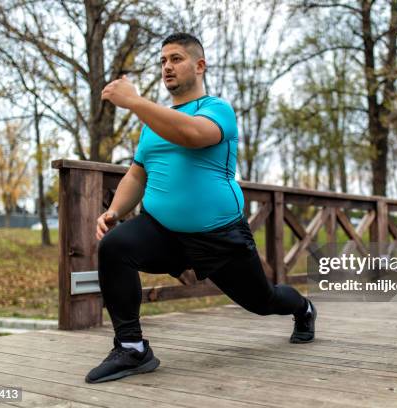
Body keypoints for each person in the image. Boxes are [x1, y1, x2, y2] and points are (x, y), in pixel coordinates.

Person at [85, 33, 317, 384]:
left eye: (176, 59)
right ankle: (131, 347)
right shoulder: (152, 123)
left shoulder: (216, 110)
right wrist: (114, 212)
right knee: (115, 247)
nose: (167, 67)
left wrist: (134, 102)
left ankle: (303, 308)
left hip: (218, 234)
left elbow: (192, 135)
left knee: (261, 300)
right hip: (163, 230)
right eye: (162, 61)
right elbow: (137, 173)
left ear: (199, 65)